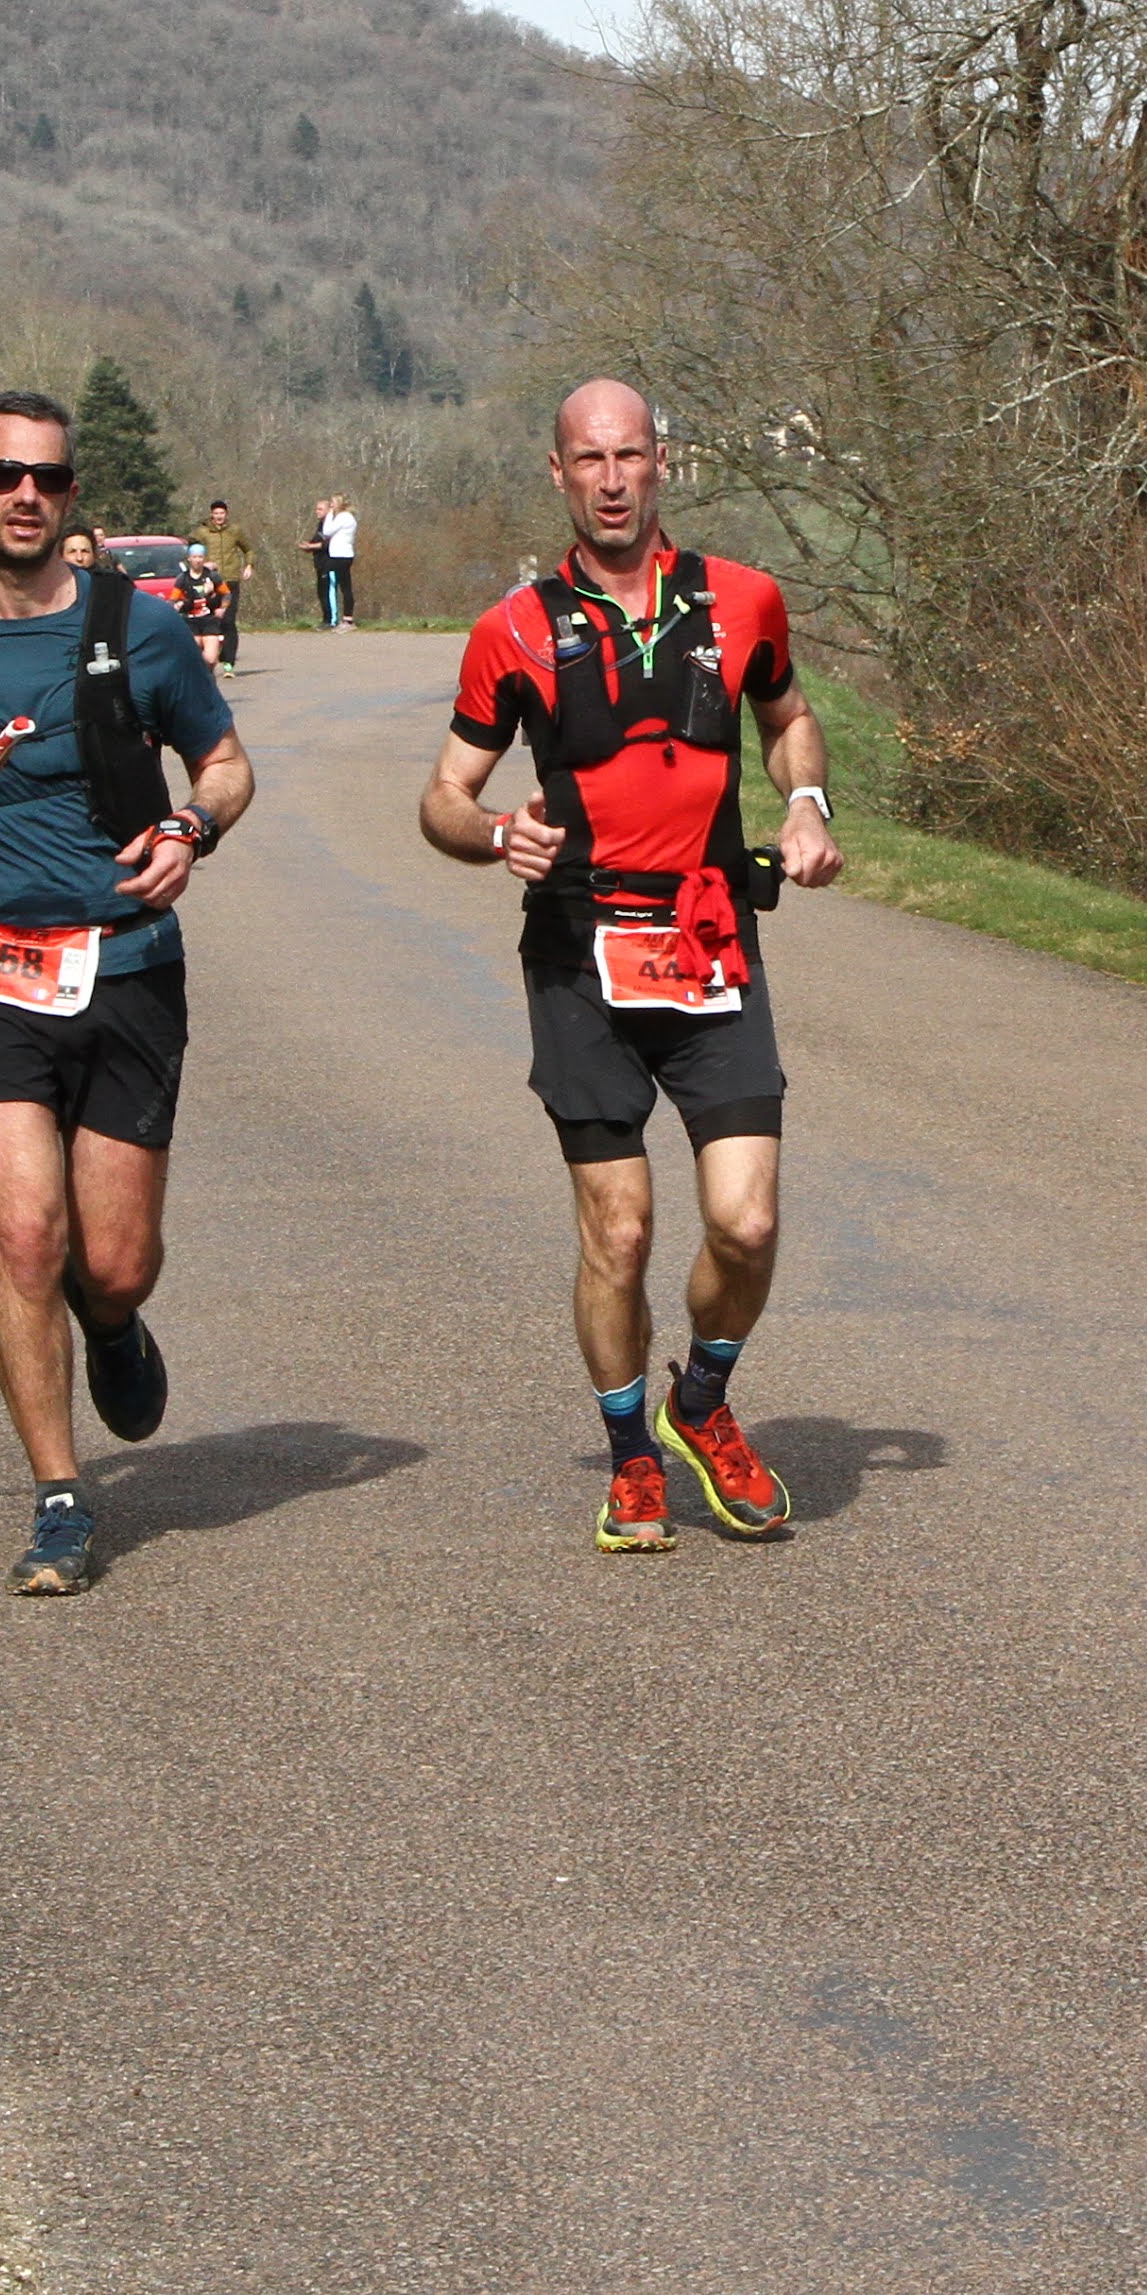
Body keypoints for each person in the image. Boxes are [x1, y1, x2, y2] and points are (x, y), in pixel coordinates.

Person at [416, 379, 842, 1554]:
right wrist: (497, 830)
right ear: (556, 474)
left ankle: (696, 1404)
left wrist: (803, 802)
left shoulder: (743, 599)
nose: (611, 478)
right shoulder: (511, 630)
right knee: (619, 1230)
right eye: (587, 459)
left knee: (745, 1225)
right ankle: (627, 1455)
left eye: (630, 456)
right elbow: (440, 799)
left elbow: (788, 716)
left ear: (663, 464)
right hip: (578, 954)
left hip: (710, 946)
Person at [0, 391, 252, 1595]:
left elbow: (226, 765)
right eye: (1, 473)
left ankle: (114, 1323)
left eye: (48, 478)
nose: (25, 493)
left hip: (125, 961)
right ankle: (60, 1493)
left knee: (114, 1258)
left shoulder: (140, 632)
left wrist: (191, 827)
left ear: (71, 496)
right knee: (21, 1232)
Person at [197, 496, 252, 667]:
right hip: (210, 582)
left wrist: (249, 565)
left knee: (228, 620)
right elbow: (190, 550)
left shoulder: (234, 530)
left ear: (226, 514)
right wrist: (203, 563)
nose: (219, 516)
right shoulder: (202, 532)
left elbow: (248, 549)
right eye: (216, 513)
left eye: (222, 513)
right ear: (211, 514)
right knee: (210, 620)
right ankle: (208, 658)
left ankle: (229, 661)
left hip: (231, 580)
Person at [318, 492, 362, 628]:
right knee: (345, 586)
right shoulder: (345, 518)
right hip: (341, 555)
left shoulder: (344, 517)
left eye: (333, 502)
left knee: (331, 581)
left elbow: (326, 531)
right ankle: (347, 618)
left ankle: (341, 619)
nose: (331, 505)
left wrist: (330, 514)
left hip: (340, 556)